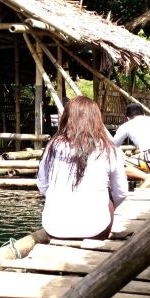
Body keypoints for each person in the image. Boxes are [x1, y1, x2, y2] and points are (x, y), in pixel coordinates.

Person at [37, 96, 128, 240]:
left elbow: (42, 185)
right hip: (96, 230)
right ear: (97, 119)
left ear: (66, 118)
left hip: (53, 228)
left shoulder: (52, 146)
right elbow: (121, 191)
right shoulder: (108, 148)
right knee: (109, 198)